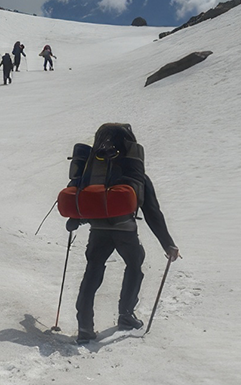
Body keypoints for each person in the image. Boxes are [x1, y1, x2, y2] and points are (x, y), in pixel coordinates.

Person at [66, 130, 179, 344]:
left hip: (98, 231)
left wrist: (75, 220)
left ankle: (85, 327)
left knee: (92, 271)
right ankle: (126, 315)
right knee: (134, 265)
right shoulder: (135, 175)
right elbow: (152, 212)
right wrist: (168, 244)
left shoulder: (93, 173)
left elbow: (84, 201)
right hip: (125, 230)